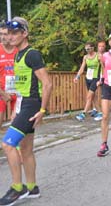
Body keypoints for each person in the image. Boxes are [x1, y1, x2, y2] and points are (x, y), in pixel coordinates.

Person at [0, 17, 53, 205]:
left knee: (7, 144)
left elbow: (47, 84)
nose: (11, 36)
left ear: (25, 33)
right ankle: (32, 188)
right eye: (8, 33)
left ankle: (17, 188)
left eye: (15, 32)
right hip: (23, 103)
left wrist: (43, 110)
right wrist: (16, 107)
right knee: (26, 148)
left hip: (32, 105)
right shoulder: (17, 55)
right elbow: (22, 85)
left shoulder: (32, 54)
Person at [73, 42, 102, 121]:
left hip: (95, 78)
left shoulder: (98, 56)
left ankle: (83, 114)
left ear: (93, 48)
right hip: (88, 78)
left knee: (89, 96)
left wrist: (101, 79)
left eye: (88, 49)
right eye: (86, 49)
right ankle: (100, 113)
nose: (87, 50)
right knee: (93, 97)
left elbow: (103, 67)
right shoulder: (85, 57)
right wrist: (77, 77)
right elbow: (82, 68)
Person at [0, 22, 18, 131]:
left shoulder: (18, 50)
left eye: (5, 34)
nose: (2, 37)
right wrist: (3, 93)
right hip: (1, 91)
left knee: (17, 124)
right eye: (0, 34)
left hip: (17, 90)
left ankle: (17, 147)